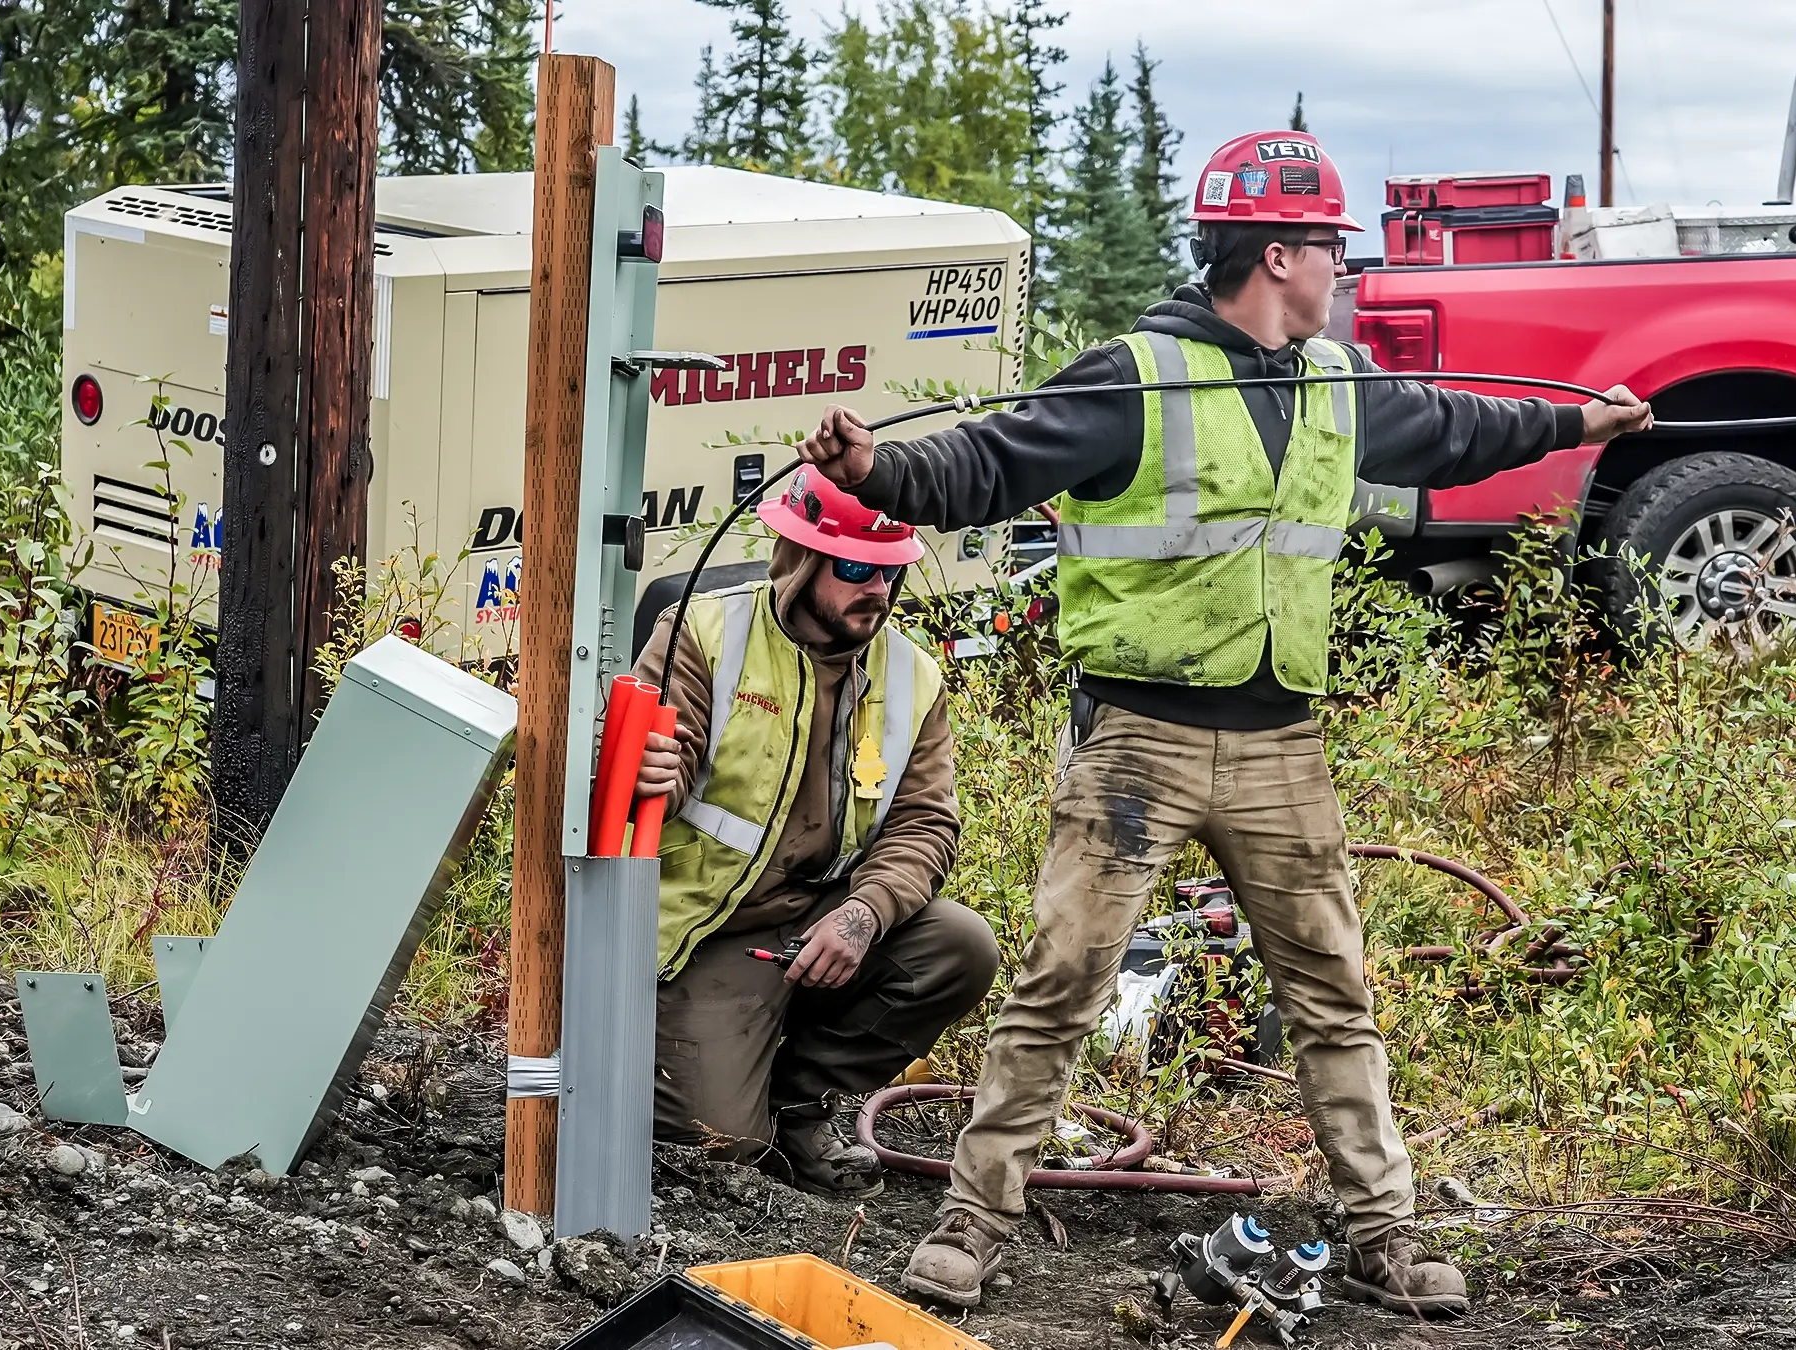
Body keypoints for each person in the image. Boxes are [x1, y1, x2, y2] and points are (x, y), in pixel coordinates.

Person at [796, 129, 1655, 1316]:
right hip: (1134, 745)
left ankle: (1384, 1235)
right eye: (1330, 252)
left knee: (1333, 993)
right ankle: (971, 1221)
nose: (1342, 275)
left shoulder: (1336, 387)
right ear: (1277, 255)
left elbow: (1459, 429)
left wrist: (1577, 428)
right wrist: (877, 471)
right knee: (1061, 984)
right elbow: (989, 462)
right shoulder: (1130, 379)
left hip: (1279, 749)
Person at [629, 464, 998, 1198]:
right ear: (799, 562)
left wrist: (864, 915)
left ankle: (798, 1107)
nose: (878, 591)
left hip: (827, 919)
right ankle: (724, 1084)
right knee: (723, 1144)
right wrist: (648, 776)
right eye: (858, 568)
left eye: (892, 571)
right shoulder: (703, 634)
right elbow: (646, 779)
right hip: (710, 929)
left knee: (961, 947)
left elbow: (926, 824)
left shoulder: (912, 677)